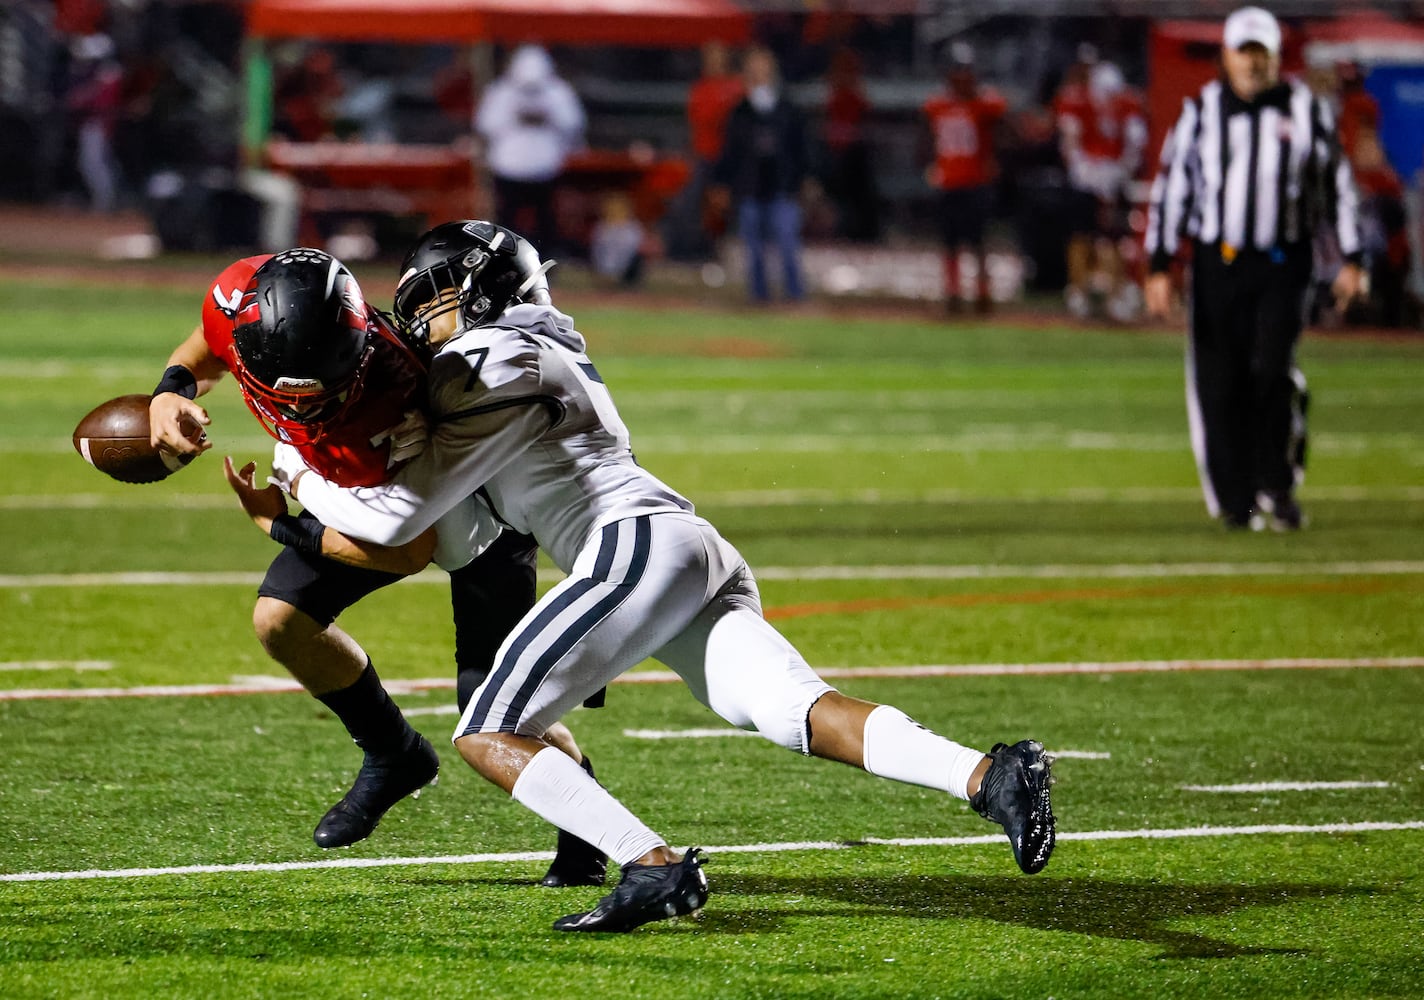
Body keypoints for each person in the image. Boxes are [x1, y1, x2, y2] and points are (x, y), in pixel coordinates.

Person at [267, 220, 1057, 933]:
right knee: (796, 711)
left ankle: (652, 867)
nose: (421, 321)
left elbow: (403, 515)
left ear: (481, 288)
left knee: (487, 726)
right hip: (671, 545)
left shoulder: (495, 354)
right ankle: (992, 776)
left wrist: (295, 475)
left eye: (433, 299)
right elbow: (449, 524)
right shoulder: (513, 355)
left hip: (632, 544)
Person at [151, 249, 607, 887]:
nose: (308, 412)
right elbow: (206, 341)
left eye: (323, 396)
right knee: (281, 621)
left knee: (497, 708)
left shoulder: (386, 401)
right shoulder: (238, 299)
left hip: (471, 511)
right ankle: (394, 754)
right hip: (356, 495)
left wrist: (279, 523)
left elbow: (407, 545)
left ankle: (587, 830)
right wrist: (169, 390)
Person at [1143, 6, 1367, 531]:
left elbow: (1339, 188)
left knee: (1269, 372)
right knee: (1219, 383)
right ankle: (1234, 501)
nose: (1252, 62)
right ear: (1226, 56)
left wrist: (1353, 259)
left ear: (1274, 56)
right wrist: (1160, 263)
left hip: (1283, 262)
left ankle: (1277, 481)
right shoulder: (1200, 111)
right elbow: (1173, 189)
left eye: (1261, 52)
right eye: (1244, 51)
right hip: (1217, 262)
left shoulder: (1307, 109)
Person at [712, 47, 810, 304]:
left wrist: (805, 181)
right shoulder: (739, 113)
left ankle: (795, 297)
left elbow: (802, 149)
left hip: (782, 187)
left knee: (788, 245)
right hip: (749, 188)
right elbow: (729, 152)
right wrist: (721, 184)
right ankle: (759, 299)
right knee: (753, 250)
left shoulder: (789, 111)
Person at [1056, 60, 1149, 322]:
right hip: (1087, 177)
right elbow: (1070, 142)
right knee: (1081, 236)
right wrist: (1088, 174)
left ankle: (1115, 292)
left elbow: (1135, 144)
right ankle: (1080, 290)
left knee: (1115, 239)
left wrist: (1118, 173)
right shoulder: (1077, 102)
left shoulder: (1127, 104)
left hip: (1113, 177)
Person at [474, 45, 586, 257]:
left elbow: (573, 123)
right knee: (507, 218)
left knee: (545, 219)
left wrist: (547, 118)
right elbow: (487, 124)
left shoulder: (557, 92)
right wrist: (516, 118)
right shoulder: (503, 91)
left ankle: (544, 260)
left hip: (545, 168)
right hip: (509, 166)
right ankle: (504, 259)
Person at [921, 43, 1007, 315]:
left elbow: (1004, 130)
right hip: (948, 180)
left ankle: (982, 292)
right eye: (958, 71)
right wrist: (930, 165)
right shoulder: (937, 105)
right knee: (950, 242)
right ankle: (953, 293)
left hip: (975, 180)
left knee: (977, 241)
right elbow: (926, 140)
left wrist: (995, 160)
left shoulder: (984, 103)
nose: (962, 77)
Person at [665, 41, 743, 261]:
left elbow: (733, 124)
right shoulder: (700, 88)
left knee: (730, 207)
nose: (713, 61)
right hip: (704, 156)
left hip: (730, 159)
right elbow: (698, 122)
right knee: (689, 204)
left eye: (717, 56)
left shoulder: (736, 86)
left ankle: (730, 252)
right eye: (709, 57)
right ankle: (688, 252)